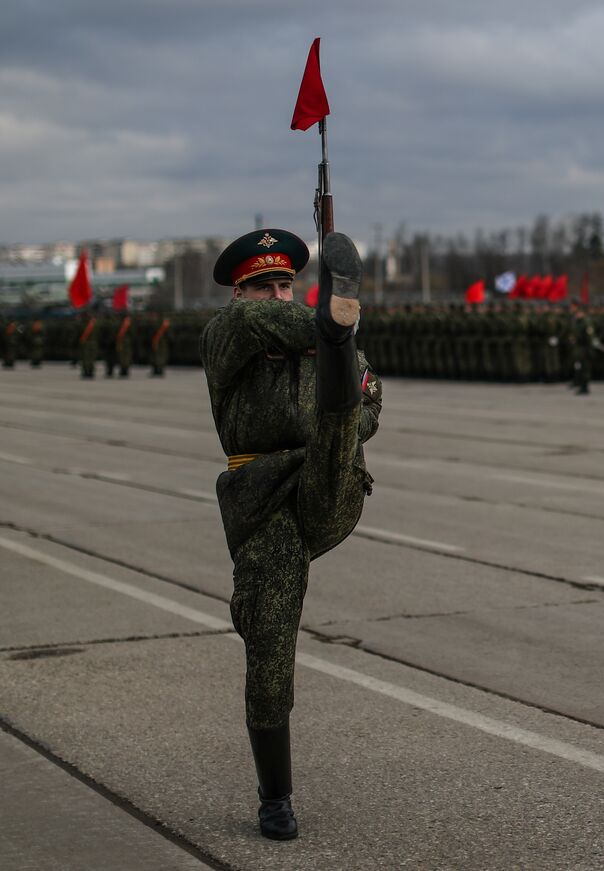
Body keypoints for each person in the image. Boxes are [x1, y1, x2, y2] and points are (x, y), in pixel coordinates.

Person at [200, 228, 381, 841]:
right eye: (262, 287)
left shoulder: (330, 342)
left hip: (326, 484)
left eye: (286, 284)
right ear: (238, 293)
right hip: (262, 503)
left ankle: (333, 412)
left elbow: (373, 404)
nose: (277, 295)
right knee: (270, 643)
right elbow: (272, 328)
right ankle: (275, 796)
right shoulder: (228, 333)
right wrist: (331, 329)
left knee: (343, 422)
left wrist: (336, 344)